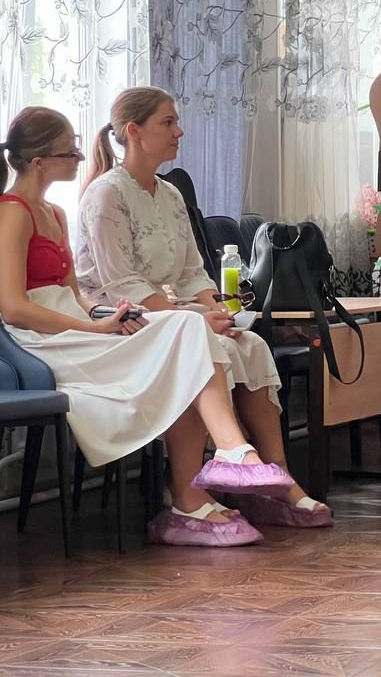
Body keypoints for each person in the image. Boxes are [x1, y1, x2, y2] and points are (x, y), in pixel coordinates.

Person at [0, 106, 293, 547]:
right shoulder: (12, 212)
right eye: (68, 152)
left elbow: (75, 295)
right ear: (39, 161)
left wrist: (106, 316)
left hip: (76, 326)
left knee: (185, 335)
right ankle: (226, 456)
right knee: (184, 329)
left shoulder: (55, 214)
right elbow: (13, 308)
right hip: (40, 342)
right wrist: (95, 330)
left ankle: (213, 473)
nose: (79, 158)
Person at [76, 87, 331, 529]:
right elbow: (121, 284)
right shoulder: (106, 195)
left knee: (248, 343)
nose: (179, 131)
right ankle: (197, 484)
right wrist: (195, 317)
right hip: (120, 323)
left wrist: (220, 312)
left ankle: (276, 480)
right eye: (168, 122)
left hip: (171, 316)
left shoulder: (170, 195)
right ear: (134, 131)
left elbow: (193, 272)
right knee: (199, 342)